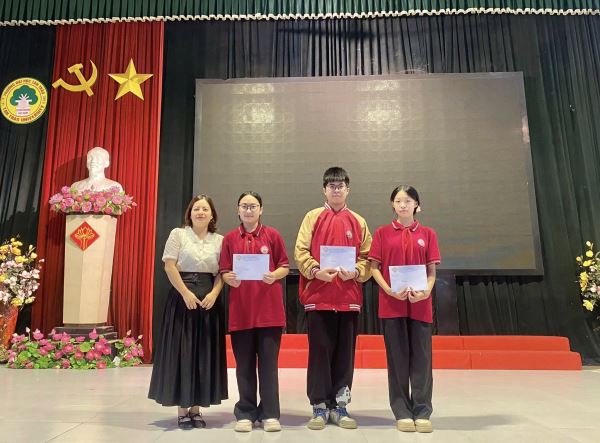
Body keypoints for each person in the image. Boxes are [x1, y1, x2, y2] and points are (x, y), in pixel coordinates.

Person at [294, 166, 372, 430]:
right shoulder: (312, 217)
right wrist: (316, 271)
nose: (336, 190)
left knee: (344, 356)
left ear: (348, 190)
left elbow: (368, 257)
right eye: (332, 186)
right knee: (319, 354)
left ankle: (340, 406)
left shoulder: (358, 221)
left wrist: (356, 272)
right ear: (324, 190)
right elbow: (301, 251)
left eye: (341, 186)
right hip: (319, 296)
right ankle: (319, 406)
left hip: (348, 298)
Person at [148, 195, 227, 429]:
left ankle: (196, 410)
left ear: (212, 215)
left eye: (205, 209)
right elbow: (169, 266)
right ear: (189, 213)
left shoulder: (220, 240)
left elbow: (222, 272)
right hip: (182, 299)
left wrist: (214, 294)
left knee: (203, 354)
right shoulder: (178, 234)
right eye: (196, 209)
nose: (200, 212)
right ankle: (183, 410)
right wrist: (185, 293)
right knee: (182, 352)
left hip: (209, 302)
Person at [368, 185, 441, 433]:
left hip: (421, 306)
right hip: (392, 305)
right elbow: (374, 268)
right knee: (397, 360)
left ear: (416, 204)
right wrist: (389, 290)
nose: (403, 205)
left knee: (422, 360)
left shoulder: (428, 234)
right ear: (392, 204)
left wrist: (427, 291)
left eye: (408, 201)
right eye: (398, 200)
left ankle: (422, 411)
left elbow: (431, 271)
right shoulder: (382, 233)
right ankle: (402, 412)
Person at [220, 191, 290, 433]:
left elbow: (284, 266)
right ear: (238, 210)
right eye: (244, 206)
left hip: (269, 313)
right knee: (244, 366)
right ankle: (246, 412)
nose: (248, 210)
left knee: (269, 367)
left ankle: (270, 413)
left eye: (253, 206)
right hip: (241, 313)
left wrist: (274, 275)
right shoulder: (229, 238)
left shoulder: (273, 235)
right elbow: (224, 270)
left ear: (261, 209)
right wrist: (228, 277)